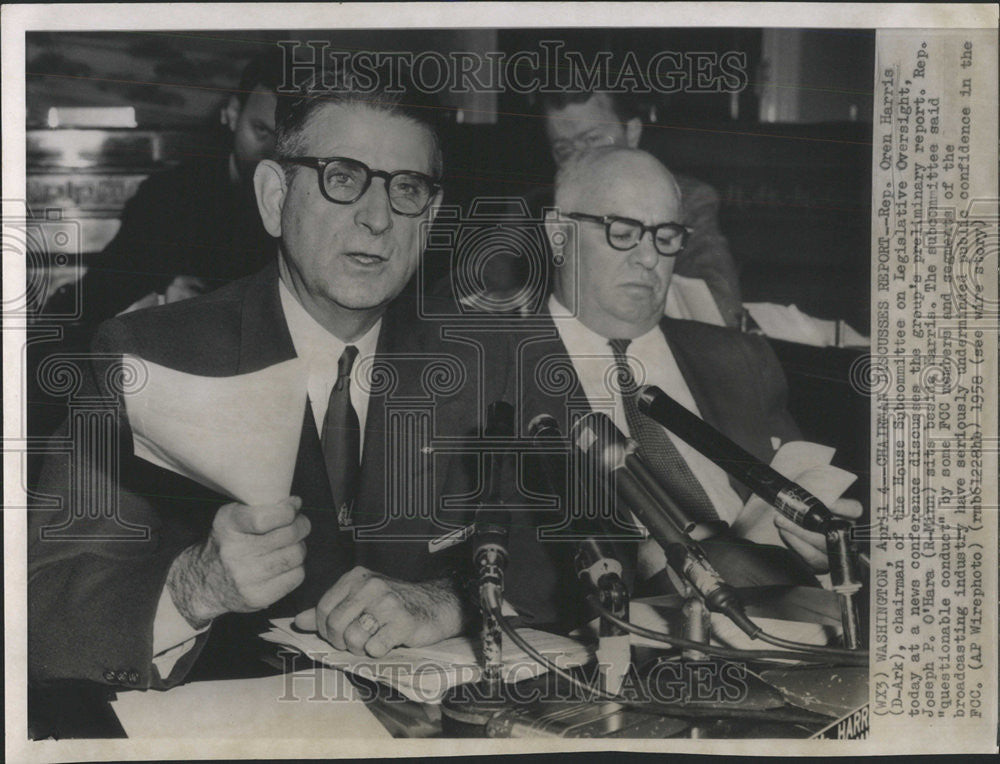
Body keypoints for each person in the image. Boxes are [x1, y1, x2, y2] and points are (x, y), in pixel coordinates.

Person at [28, 73, 518, 691]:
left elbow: (569, 556)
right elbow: (40, 608)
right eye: (343, 178)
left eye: (408, 189)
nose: (377, 219)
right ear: (272, 197)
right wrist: (194, 585)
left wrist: (450, 601)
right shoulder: (148, 358)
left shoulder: (479, 360)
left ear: (431, 218)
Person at [505, 146, 862, 623]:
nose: (649, 257)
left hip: (786, 620)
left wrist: (825, 553)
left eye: (666, 236)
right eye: (623, 232)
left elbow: (808, 496)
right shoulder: (493, 373)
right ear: (558, 234)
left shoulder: (739, 357)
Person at [76, 49, 284, 324]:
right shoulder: (166, 196)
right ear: (233, 114)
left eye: (286, 138)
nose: (272, 152)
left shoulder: (309, 202)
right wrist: (160, 296)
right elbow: (94, 298)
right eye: (261, 131)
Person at [535, 89, 744, 329]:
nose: (581, 158)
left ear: (632, 133)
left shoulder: (686, 202)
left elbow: (720, 307)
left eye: (593, 140)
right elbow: (489, 297)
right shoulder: (533, 210)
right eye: (564, 150)